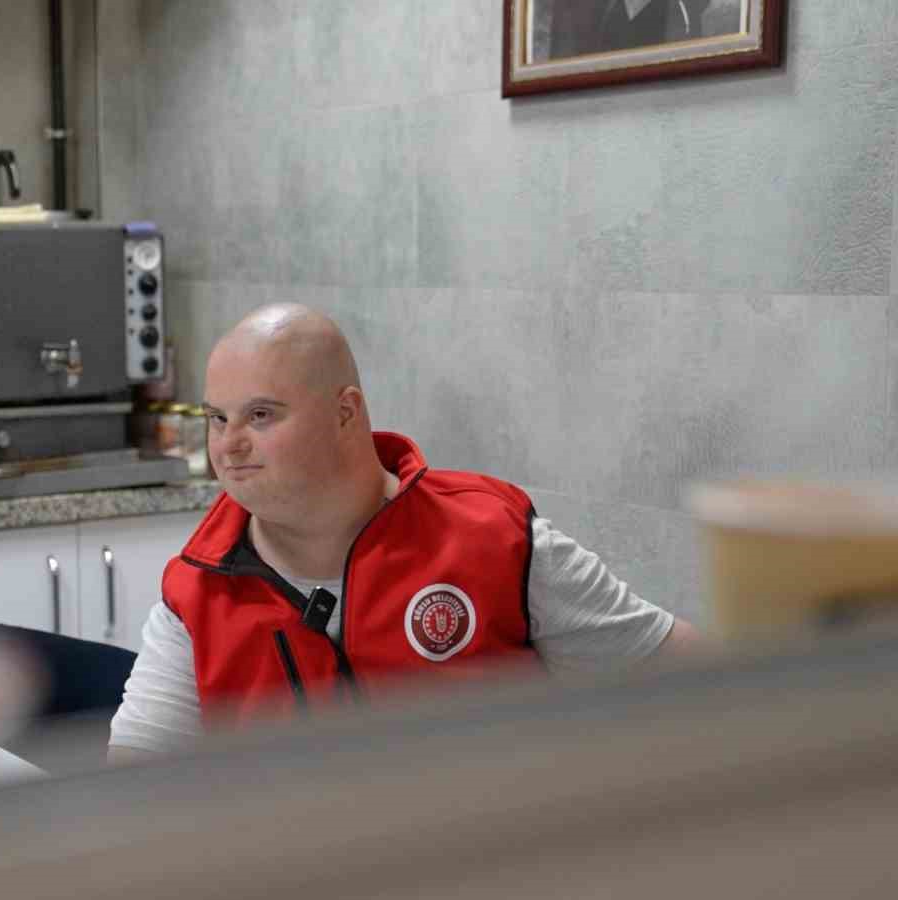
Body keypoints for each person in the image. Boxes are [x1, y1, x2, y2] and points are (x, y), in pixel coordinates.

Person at [108, 304, 701, 763]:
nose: (229, 445)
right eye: (218, 418)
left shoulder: (494, 539)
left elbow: (689, 679)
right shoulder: (195, 593)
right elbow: (134, 794)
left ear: (345, 413)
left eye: (260, 415)